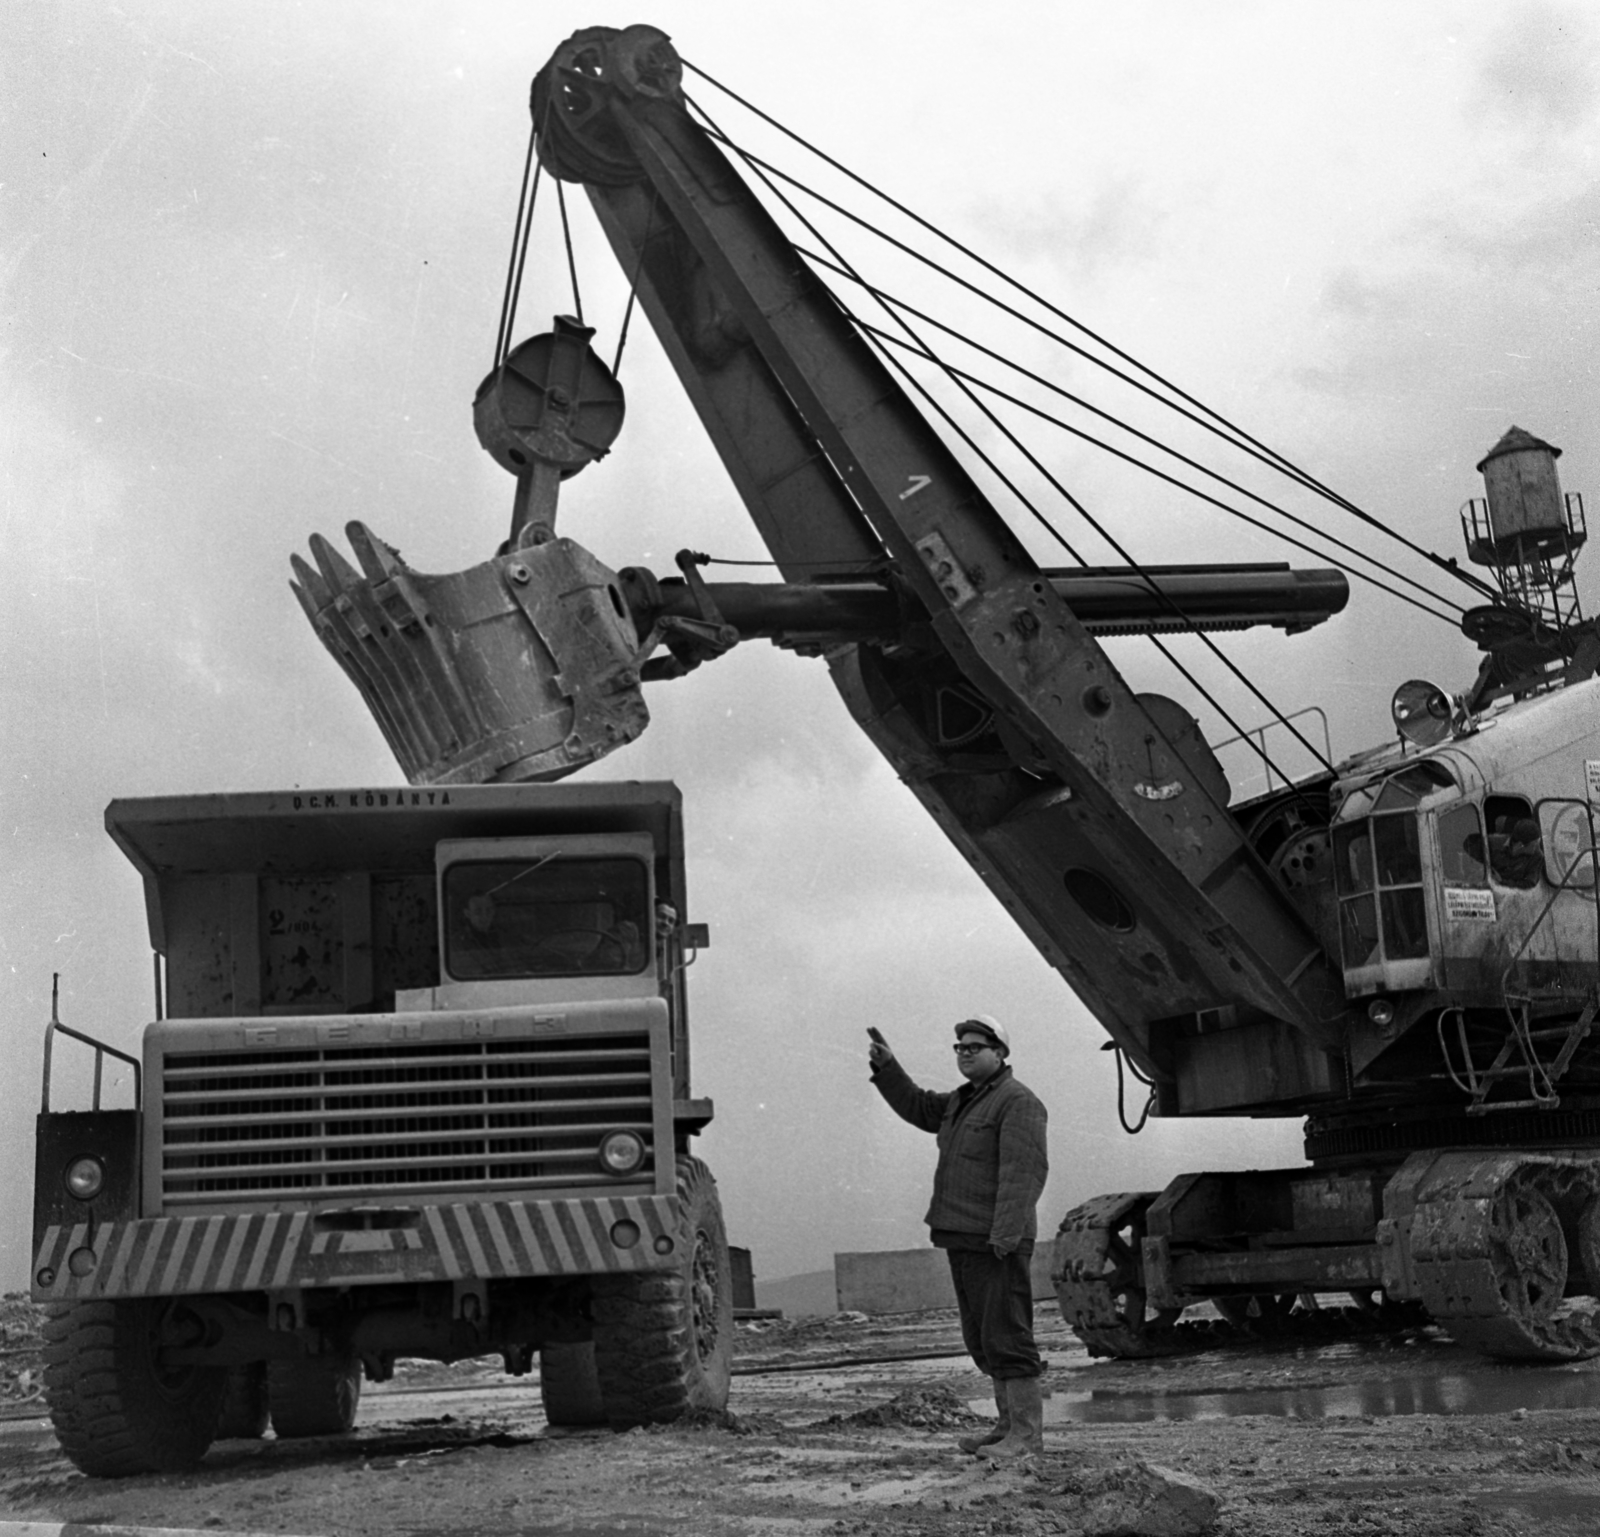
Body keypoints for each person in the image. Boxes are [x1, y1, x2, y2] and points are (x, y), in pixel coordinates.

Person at [868, 1015, 1049, 1459]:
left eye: (975, 1046)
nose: (965, 1052)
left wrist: (1004, 1237)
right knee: (982, 1338)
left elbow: (1022, 1173)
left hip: (994, 1242)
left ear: (1000, 1054)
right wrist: (889, 1068)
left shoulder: (1017, 1101)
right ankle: (1007, 1427)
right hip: (962, 1237)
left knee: (1008, 1334)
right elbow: (917, 1106)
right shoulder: (962, 1102)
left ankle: (1026, 1436)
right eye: (959, 1047)